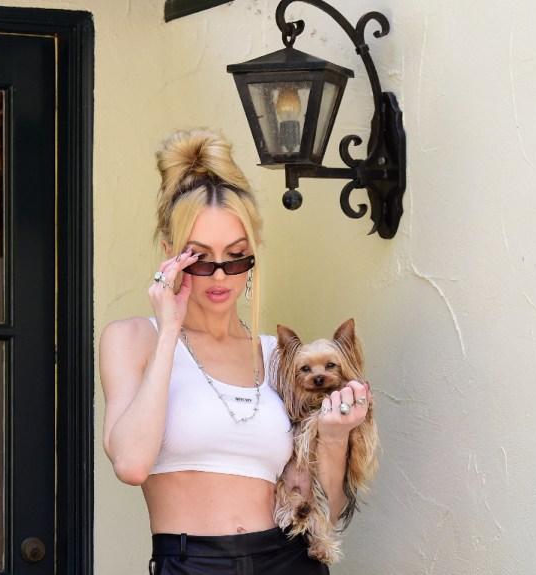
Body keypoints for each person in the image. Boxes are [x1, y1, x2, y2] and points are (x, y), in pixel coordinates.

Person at [100, 128, 372, 574]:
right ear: (171, 256)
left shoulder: (278, 358)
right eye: (200, 258)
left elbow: (329, 504)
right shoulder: (133, 339)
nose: (221, 276)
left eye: (237, 256)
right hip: (192, 562)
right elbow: (131, 463)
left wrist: (338, 435)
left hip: (289, 559)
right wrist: (169, 329)